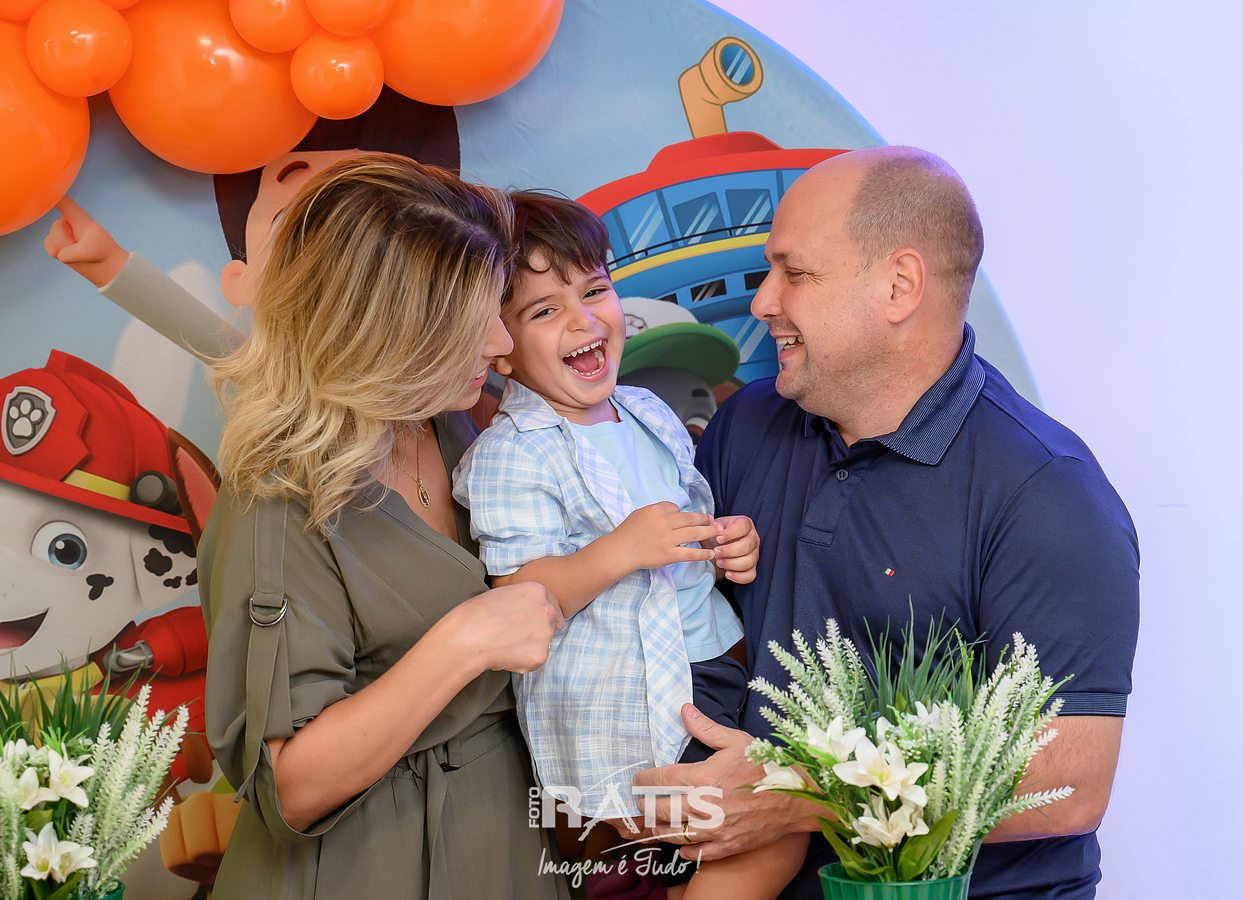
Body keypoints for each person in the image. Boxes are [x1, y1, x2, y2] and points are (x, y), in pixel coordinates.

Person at [633, 147, 1141, 899]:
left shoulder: (1046, 492)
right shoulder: (745, 426)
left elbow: (1069, 782)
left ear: (900, 285)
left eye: (795, 273)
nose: (763, 301)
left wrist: (794, 794)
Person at [197, 155, 570, 898]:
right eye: (470, 322)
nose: (501, 343)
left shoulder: (458, 424)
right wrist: (464, 643)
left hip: (502, 839)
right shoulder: (278, 500)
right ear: (388, 333)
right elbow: (289, 789)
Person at [452, 192, 806, 899]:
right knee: (768, 834)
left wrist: (725, 545)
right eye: (543, 311)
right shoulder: (510, 454)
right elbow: (517, 597)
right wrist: (621, 550)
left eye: (594, 291)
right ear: (499, 350)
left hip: (713, 664)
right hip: (630, 707)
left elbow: (686, 526)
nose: (583, 320)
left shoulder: (647, 412)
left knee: (747, 827)